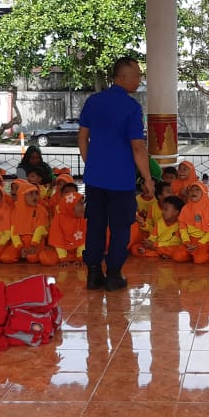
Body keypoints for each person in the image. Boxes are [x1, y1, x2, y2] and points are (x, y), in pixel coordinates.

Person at [78, 57, 155, 291]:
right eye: (137, 76)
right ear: (122, 77)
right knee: (121, 227)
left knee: (96, 225)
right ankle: (113, 275)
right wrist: (148, 179)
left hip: (95, 179)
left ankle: (93, 275)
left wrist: (91, 163)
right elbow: (138, 147)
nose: (140, 80)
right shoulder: (132, 108)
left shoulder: (93, 102)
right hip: (121, 181)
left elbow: (82, 138)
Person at [177, 183, 209, 265]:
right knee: (177, 256)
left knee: (200, 260)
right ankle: (191, 254)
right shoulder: (185, 208)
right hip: (189, 240)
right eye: (191, 190)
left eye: (198, 190)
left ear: (204, 193)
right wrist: (187, 242)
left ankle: (207, 251)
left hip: (203, 241)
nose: (194, 192)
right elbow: (182, 228)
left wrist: (199, 244)